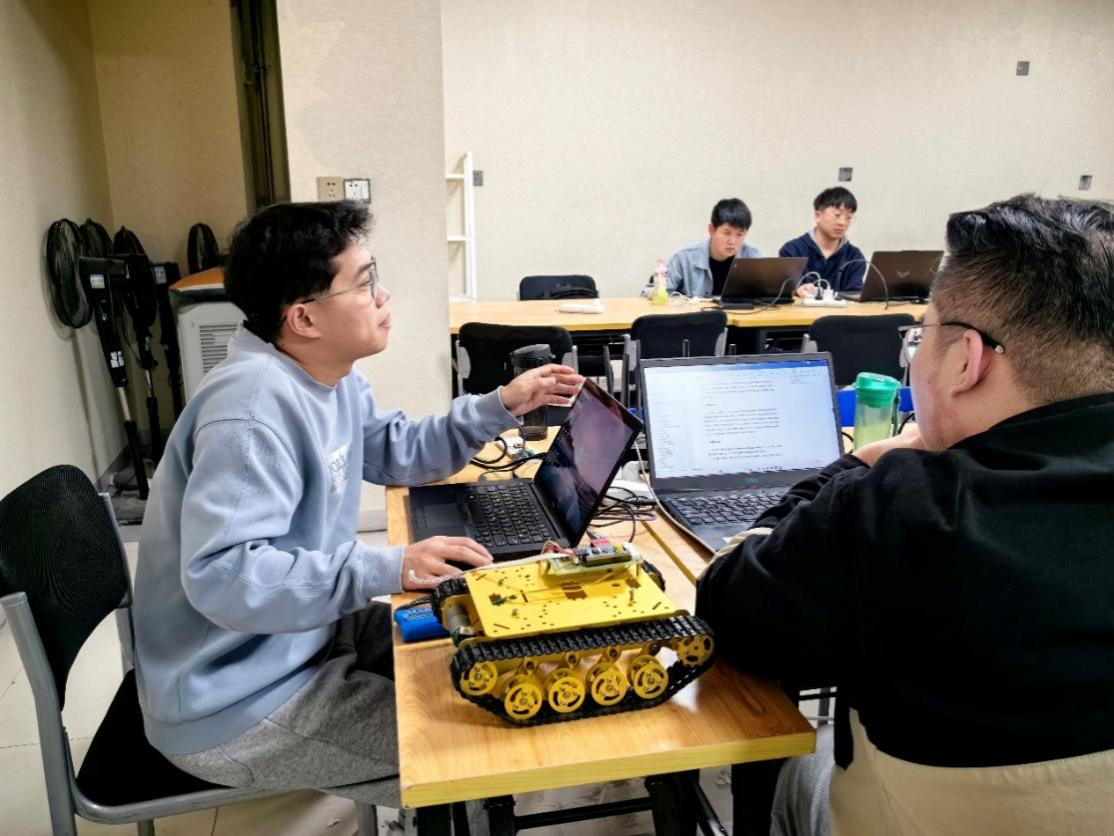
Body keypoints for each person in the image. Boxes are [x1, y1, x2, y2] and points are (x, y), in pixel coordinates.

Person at [132, 201, 583, 811]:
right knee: (476, 754)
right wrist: (388, 567)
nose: (383, 295)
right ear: (303, 317)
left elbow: (399, 452)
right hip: (239, 694)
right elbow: (223, 578)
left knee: (495, 648)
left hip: (303, 635)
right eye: (365, 282)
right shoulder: (250, 413)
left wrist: (499, 404)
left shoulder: (326, 375)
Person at [697, 194, 1114, 835]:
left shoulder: (897, 509)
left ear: (966, 360)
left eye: (921, 336)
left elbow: (726, 603)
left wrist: (855, 466)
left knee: (794, 762)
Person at [653, 197, 764, 298]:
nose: (732, 241)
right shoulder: (684, 258)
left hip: (739, 314)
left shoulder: (753, 257)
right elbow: (652, 293)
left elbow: (770, 295)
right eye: (727, 233)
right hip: (695, 314)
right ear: (711, 229)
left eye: (739, 235)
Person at [780, 187, 866, 297]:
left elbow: (855, 295)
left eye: (848, 217)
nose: (842, 223)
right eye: (837, 215)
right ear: (818, 216)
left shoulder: (854, 256)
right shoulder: (792, 251)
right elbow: (786, 292)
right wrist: (798, 290)